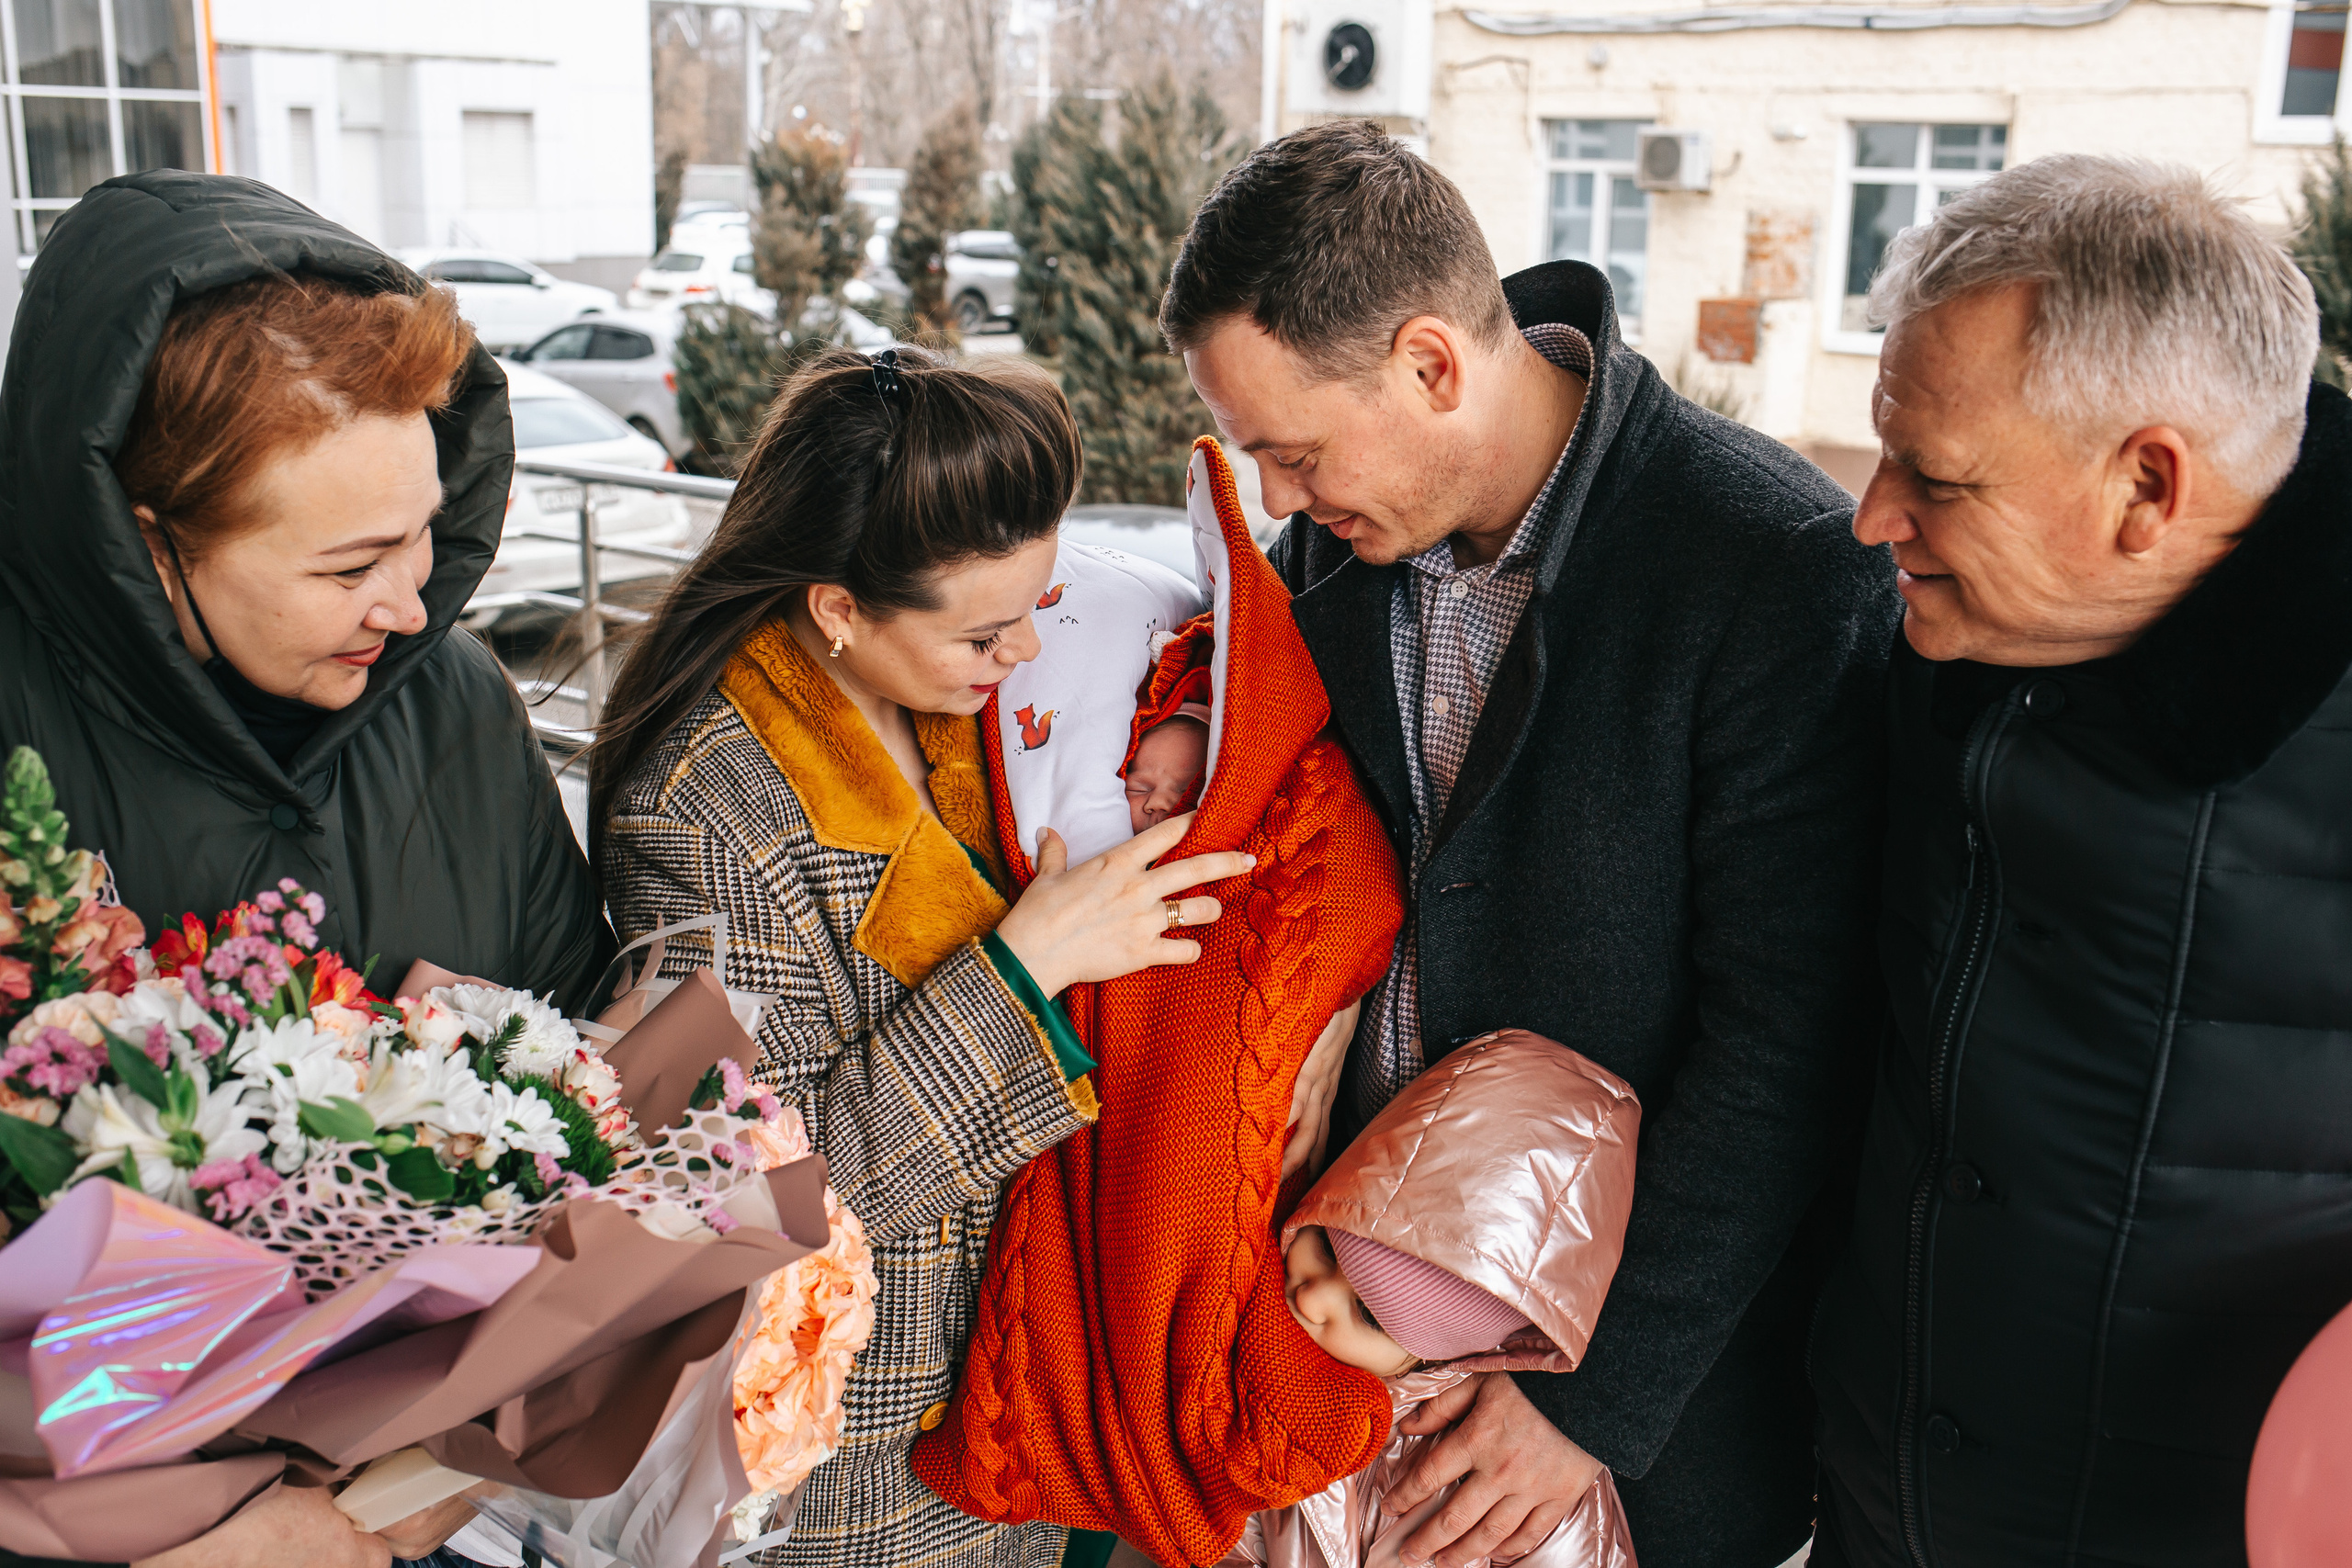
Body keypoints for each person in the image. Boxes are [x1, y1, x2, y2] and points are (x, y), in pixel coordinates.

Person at [1159, 121, 1901, 1568]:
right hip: (1345, 1360)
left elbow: (1793, 1041)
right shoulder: (1341, 539)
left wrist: (1596, 1395)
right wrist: (1192, 710)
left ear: (1433, 362)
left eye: (1296, 453)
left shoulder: (1772, 564)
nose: (1288, 502)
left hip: (1631, 1415)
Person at [0, 172, 613, 1568]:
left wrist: (472, 1439)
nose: (411, 603)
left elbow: (585, 1074)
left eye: (425, 530)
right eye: (352, 565)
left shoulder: (453, 699)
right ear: (150, 540)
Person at [592, 346, 1254, 1568]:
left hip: (1032, 1386)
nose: (1022, 654)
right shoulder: (702, 807)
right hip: (855, 1455)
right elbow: (762, 1197)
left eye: (1036, 607)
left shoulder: (968, 689)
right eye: (987, 631)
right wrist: (1021, 968)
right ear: (840, 608)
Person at [1808, 155, 2352, 1568]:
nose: (1873, 518)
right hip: (1879, 1505)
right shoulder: (1953, 643)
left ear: (2148, 485)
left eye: (1935, 478)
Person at [1221, 1030, 1642, 1568]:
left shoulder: (1533, 1487)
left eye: (1369, 1316)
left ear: (1446, 1352)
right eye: (1325, 1245)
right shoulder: (1250, 1360)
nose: (1311, 1298)